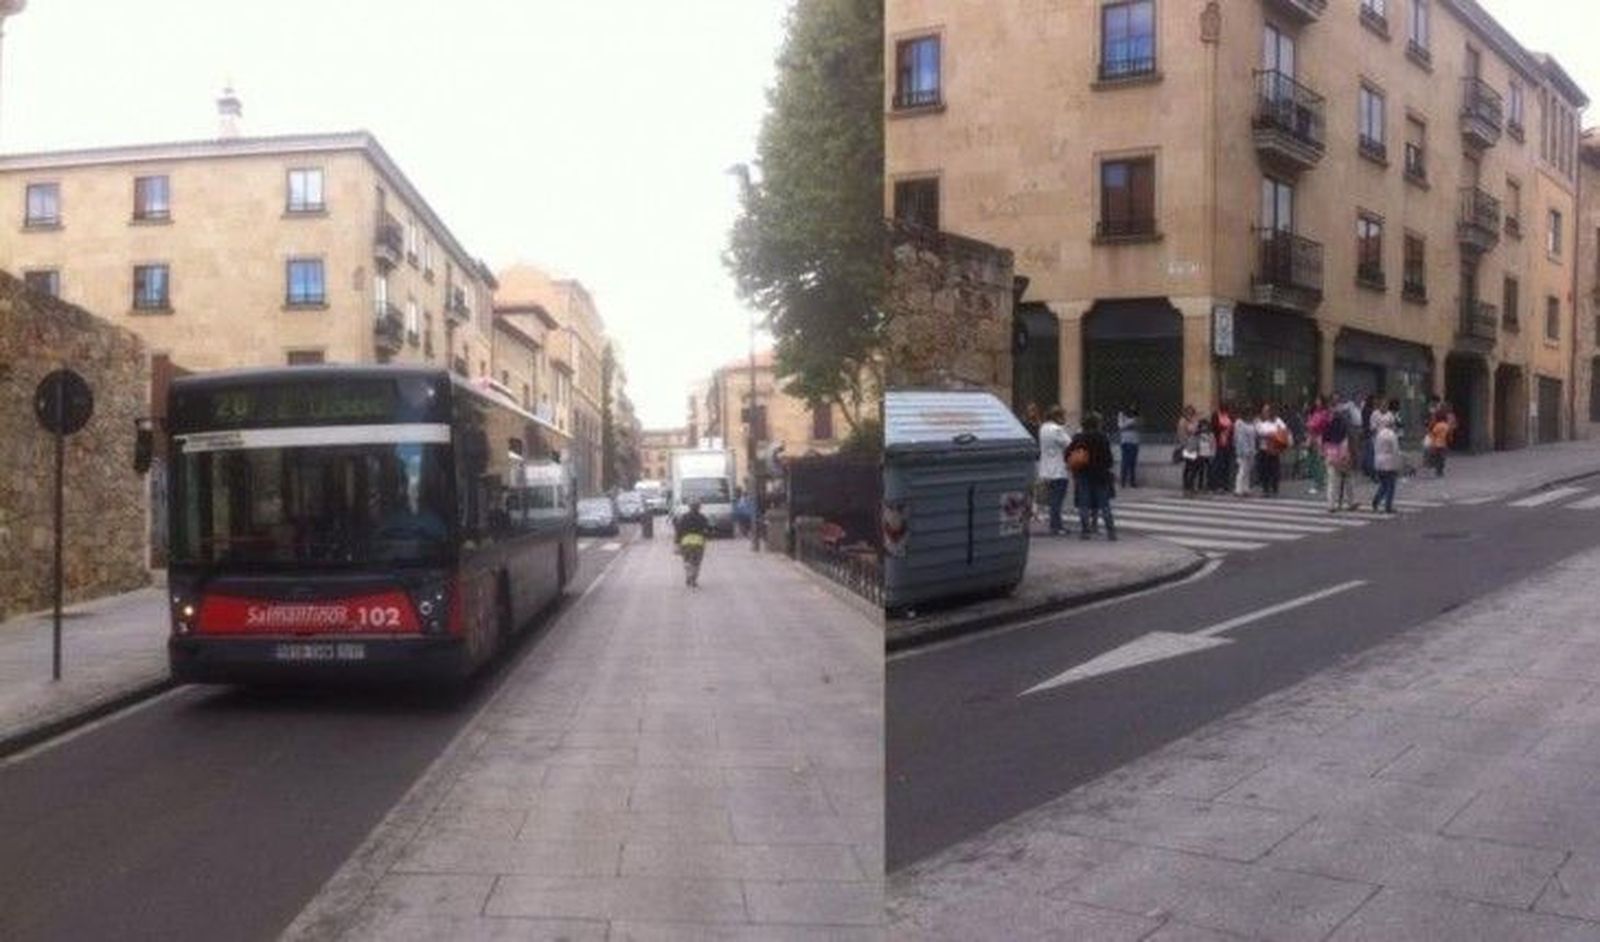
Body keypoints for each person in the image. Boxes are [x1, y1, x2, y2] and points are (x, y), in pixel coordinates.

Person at [1068, 413, 1117, 541]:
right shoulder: (1103, 437)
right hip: (1100, 474)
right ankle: (1111, 532)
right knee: (1104, 504)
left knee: (1084, 503)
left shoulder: (1079, 438)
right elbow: (1109, 458)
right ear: (1097, 424)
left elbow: (1067, 454)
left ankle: (1085, 531)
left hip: (1083, 474)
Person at [1037, 405, 1071, 536]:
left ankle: (1055, 525)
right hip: (1058, 470)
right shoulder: (1057, 429)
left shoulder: (1043, 428)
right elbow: (1069, 444)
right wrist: (1065, 428)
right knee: (1057, 500)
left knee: (1052, 500)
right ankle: (1056, 526)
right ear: (1058, 416)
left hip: (1045, 470)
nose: (1064, 418)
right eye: (1063, 416)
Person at [1321, 405, 1356, 513]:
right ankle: (1350, 502)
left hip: (1330, 455)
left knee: (1332, 481)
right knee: (1348, 479)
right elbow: (1346, 442)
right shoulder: (1344, 427)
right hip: (1342, 455)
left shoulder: (1327, 427)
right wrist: (1349, 456)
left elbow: (1324, 442)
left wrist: (1324, 454)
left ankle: (1331, 505)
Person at [674, 499, 712, 587]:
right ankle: (694, 578)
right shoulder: (703, 518)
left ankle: (688, 574)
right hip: (699, 543)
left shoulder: (684, 517)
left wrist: (677, 542)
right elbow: (707, 530)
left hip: (686, 542)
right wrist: (706, 536)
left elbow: (679, 531)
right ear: (699, 507)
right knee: (697, 562)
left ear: (689, 507)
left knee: (687, 560)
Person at [1372, 404, 1401, 514]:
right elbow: (1395, 451)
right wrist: (1398, 464)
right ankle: (1388, 506)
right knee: (1391, 486)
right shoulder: (1392, 435)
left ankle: (1376, 500)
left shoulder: (1379, 434)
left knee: (1383, 484)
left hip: (1378, 462)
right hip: (1389, 463)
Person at [1256, 404, 1290, 497]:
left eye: (1267, 410)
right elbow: (1259, 432)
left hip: (1274, 449)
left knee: (1274, 469)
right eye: (1264, 410)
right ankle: (1265, 489)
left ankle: (1275, 488)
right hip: (1264, 449)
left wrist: (1273, 434)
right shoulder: (1260, 421)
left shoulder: (1277, 420)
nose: (1265, 412)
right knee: (1264, 470)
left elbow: (1284, 429)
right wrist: (1271, 434)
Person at [1304, 396, 1330, 496]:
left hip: (1320, 438)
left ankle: (1319, 484)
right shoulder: (1314, 413)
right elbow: (1309, 424)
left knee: (1319, 461)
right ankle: (1318, 482)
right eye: (1316, 401)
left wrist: (1310, 424)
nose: (1317, 403)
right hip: (1313, 438)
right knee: (1313, 461)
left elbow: (1315, 425)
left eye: (1318, 401)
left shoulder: (1324, 413)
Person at [1233, 404, 1258, 497]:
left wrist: (1252, 450)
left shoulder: (1251, 424)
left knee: (1248, 470)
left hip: (1251, 450)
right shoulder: (1240, 424)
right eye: (1248, 413)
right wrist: (1245, 450)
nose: (1250, 415)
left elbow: (1254, 437)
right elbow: (1240, 439)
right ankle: (1238, 489)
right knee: (1242, 469)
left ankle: (1246, 488)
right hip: (1243, 451)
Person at [1177, 406, 1203, 497]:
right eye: (1190, 412)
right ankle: (1188, 487)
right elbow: (1191, 431)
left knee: (1191, 467)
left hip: (1192, 446)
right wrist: (1196, 422)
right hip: (1188, 447)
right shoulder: (1184, 421)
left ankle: (1189, 487)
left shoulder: (1188, 421)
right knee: (1191, 467)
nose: (1192, 414)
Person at [1210, 403, 1235, 494]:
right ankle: (1216, 485)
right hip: (1218, 444)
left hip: (1228, 444)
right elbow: (1214, 427)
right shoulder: (1216, 415)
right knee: (1218, 465)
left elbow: (1233, 427)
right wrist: (1224, 428)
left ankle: (1225, 485)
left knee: (1226, 465)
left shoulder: (1229, 416)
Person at [1116, 403, 1142, 489]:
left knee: (1132, 462)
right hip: (1125, 441)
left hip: (1134, 441)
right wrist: (1130, 423)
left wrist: (1128, 424)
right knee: (1125, 462)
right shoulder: (1122, 415)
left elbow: (1138, 425)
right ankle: (1123, 481)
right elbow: (1120, 426)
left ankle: (1132, 481)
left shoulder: (1137, 417)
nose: (1132, 409)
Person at [1196, 419, 1216, 493]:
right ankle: (1200, 486)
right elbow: (1196, 444)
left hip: (1208, 454)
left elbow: (1213, 444)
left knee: (1209, 472)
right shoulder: (1198, 435)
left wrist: (1212, 453)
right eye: (1203, 426)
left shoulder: (1211, 435)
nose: (1204, 427)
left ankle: (1208, 486)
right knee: (1201, 471)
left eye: (1206, 426)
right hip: (1200, 454)